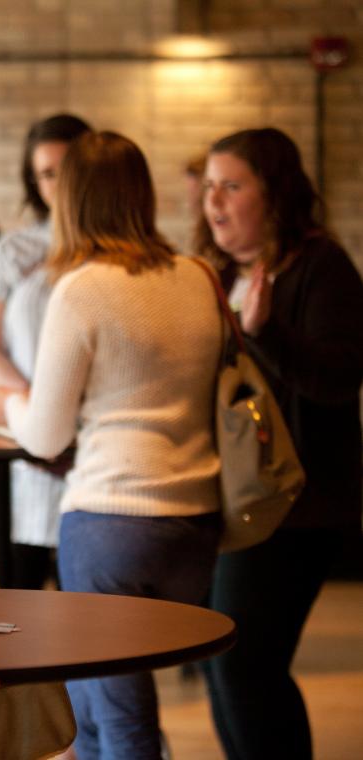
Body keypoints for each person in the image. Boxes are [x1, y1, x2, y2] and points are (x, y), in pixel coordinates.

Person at [0, 131, 223, 760]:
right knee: (92, 705)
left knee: (117, 716)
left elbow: (48, 433)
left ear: (74, 201)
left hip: (112, 517)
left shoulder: (83, 287)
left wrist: (7, 406)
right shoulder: (198, 275)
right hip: (196, 521)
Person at [196, 127, 363, 760]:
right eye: (210, 186)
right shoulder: (211, 274)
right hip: (230, 500)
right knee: (225, 666)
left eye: (232, 186)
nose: (215, 201)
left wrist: (267, 333)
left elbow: (340, 377)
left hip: (299, 507)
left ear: (276, 193)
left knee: (245, 665)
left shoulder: (322, 267)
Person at [0, 113, 91, 590]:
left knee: (92, 628)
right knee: (14, 618)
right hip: (19, 455)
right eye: (46, 173)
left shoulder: (112, 252)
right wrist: (38, 406)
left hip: (92, 455)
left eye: (69, 169)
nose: (57, 184)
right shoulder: (13, 250)